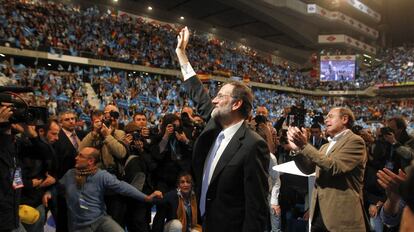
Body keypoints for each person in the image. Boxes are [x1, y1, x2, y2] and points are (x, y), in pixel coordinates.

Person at [176, 27, 270, 232]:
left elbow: (257, 206)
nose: (214, 100)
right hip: (207, 222)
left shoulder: (253, 145)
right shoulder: (215, 126)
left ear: (236, 105)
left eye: (220, 96)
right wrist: (181, 54)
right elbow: (197, 93)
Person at [43, 147, 162, 232]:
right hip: (79, 227)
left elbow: (123, 187)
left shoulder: (101, 175)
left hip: (100, 220)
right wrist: (49, 193)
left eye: (80, 156)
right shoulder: (70, 174)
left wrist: (145, 197)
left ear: (90, 161)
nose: (76, 158)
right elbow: (58, 188)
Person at [287, 107, 368, 231]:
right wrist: (297, 149)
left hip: (340, 217)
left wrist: (304, 145)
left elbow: (334, 167)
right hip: (319, 215)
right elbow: (309, 169)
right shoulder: (325, 146)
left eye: (330, 116)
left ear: (344, 119)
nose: (326, 120)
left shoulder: (355, 141)